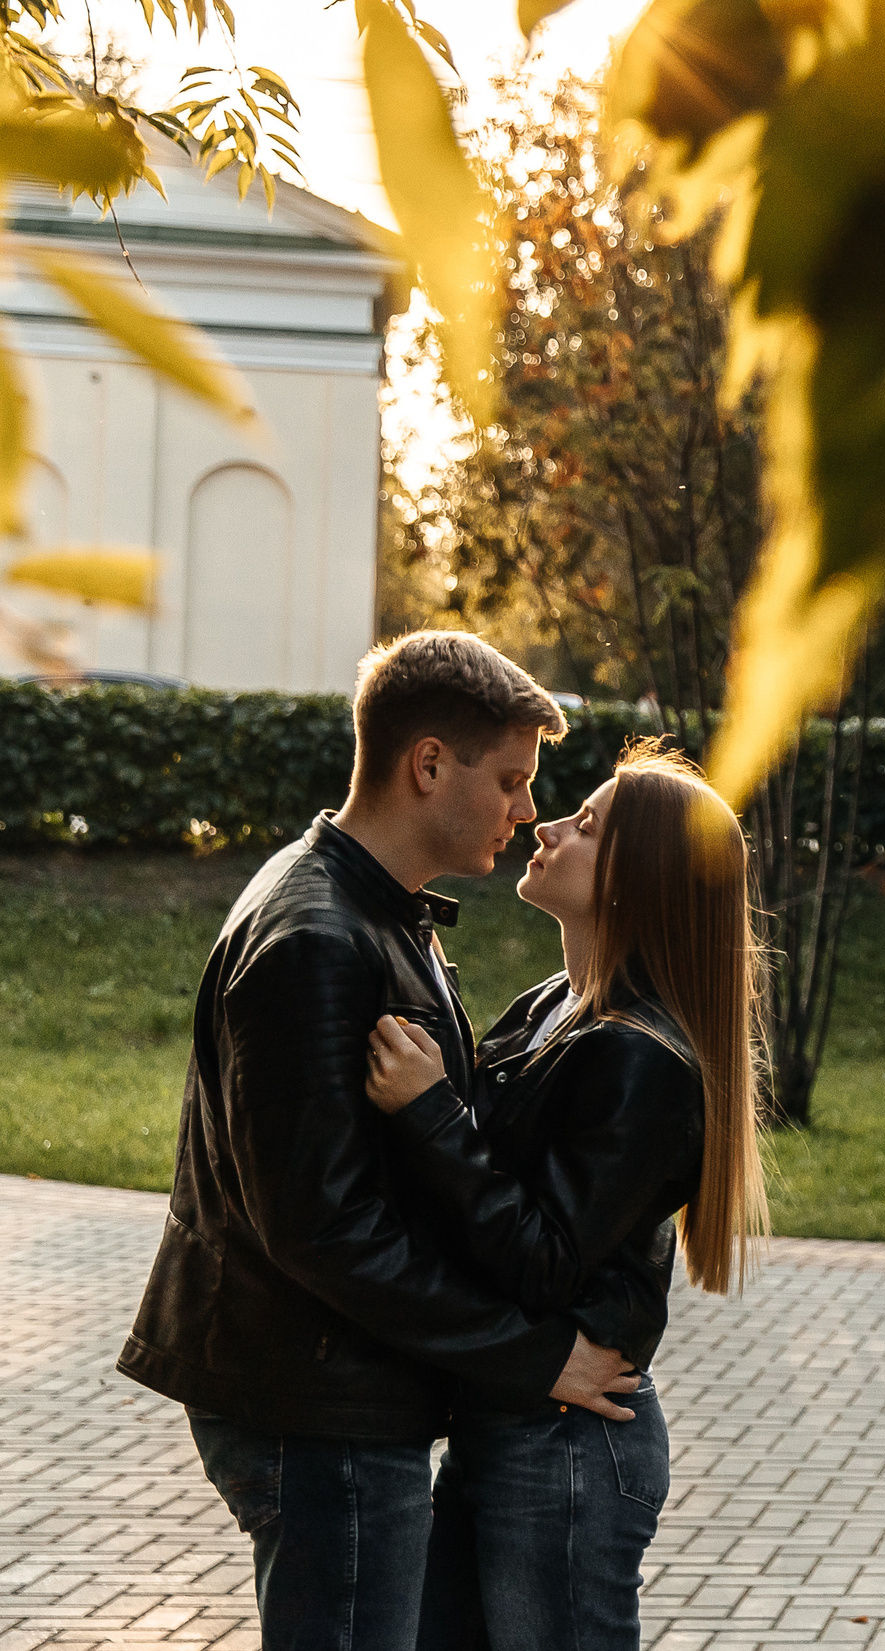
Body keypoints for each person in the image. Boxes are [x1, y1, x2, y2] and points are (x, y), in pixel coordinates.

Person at [118, 630, 642, 1650]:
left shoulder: (373, 911)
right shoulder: (317, 937)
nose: (526, 810)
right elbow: (324, 1230)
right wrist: (535, 1356)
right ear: (428, 764)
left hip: (341, 1392)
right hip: (319, 1407)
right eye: (511, 780)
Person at [362, 742, 769, 1649]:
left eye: (586, 825)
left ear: (640, 877)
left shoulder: (640, 1059)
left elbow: (544, 1257)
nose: (547, 824)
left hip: (569, 1452)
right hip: (509, 1424)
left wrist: (429, 1114)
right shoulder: (556, 1005)